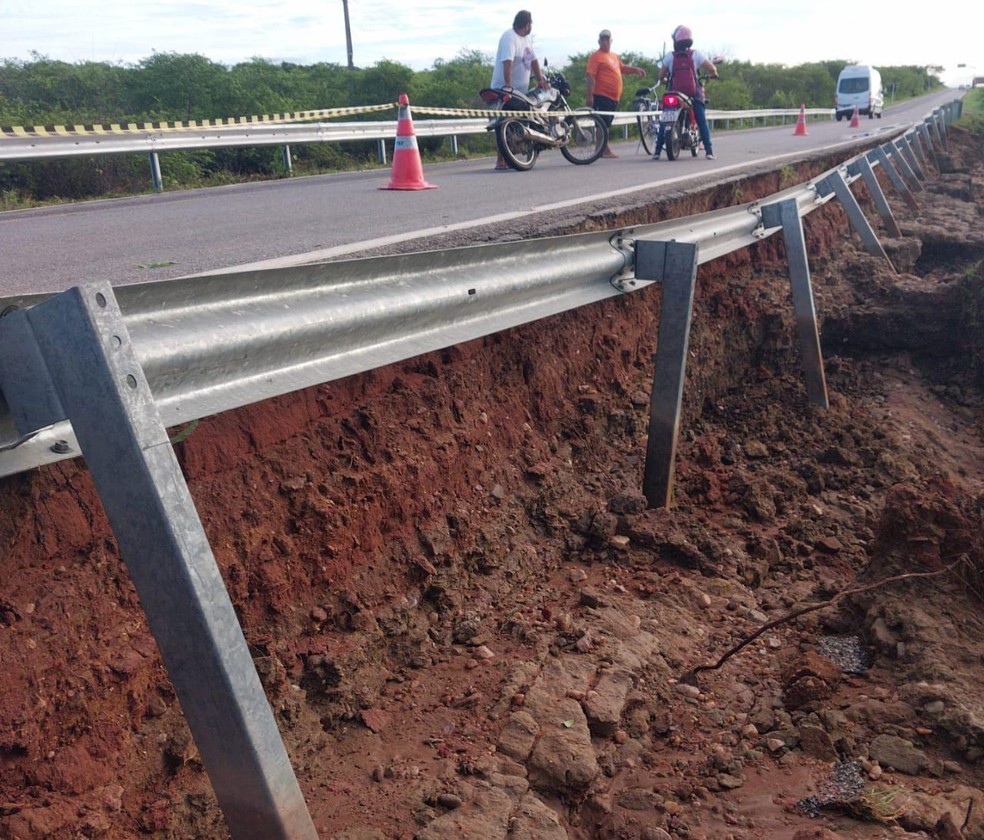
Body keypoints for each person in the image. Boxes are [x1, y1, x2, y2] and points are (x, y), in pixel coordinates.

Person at [490, 10, 549, 170]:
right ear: (527, 24)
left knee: (518, 122)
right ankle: (500, 160)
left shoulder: (525, 39)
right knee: (502, 123)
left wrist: (540, 80)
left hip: (519, 92)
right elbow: (507, 62)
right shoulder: (509, 37)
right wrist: (508, 86)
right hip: (503, 90)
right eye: (531, 23)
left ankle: (512, 156)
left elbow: (534, 61)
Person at [652, 25, 718, 161]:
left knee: (666, 120)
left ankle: (657, 152)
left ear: (676, 41)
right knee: (701, 120)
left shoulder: (670, 56)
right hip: (693, 93)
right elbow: (712, 68)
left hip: (674, 93)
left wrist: (665, 80)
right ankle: (709, 151)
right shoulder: (696, 55)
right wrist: (713, 74)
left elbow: (660, 76)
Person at [585, 29, 646, 159]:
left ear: (611, 41)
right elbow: (590, 76)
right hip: (601, 94)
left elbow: (622, 68)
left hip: (613, 97)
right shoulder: (596, 57)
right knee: (602, 123)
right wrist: (589, 95)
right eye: (603, 40)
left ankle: (600, 148)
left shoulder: (613, 56)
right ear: (599, 41)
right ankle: (603, 149)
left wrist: (635, 70)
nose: (605, 42)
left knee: (606, 124)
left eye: (608, 39)